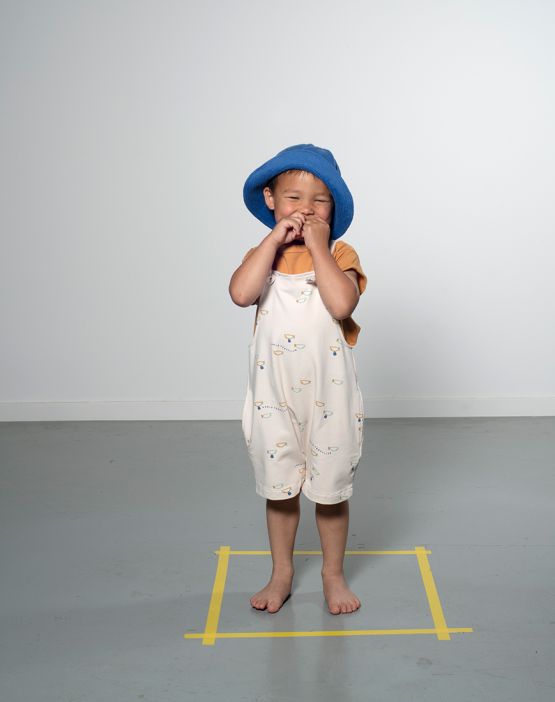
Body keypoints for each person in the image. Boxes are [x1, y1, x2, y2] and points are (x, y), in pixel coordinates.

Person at [229, 144, 367, 615]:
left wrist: (318, 247)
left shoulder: (339, 253)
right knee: (279, 488)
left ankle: (332, 574)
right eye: (293, 198)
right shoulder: (261, 256)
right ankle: (281, 572)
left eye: (319, 201)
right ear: (270, 200)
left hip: (330, 396)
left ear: (333, 209)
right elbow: (241, 294)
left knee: (330, 490)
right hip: (274, 396)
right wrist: (272, 243)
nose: (306, 209)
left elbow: (341, 304)